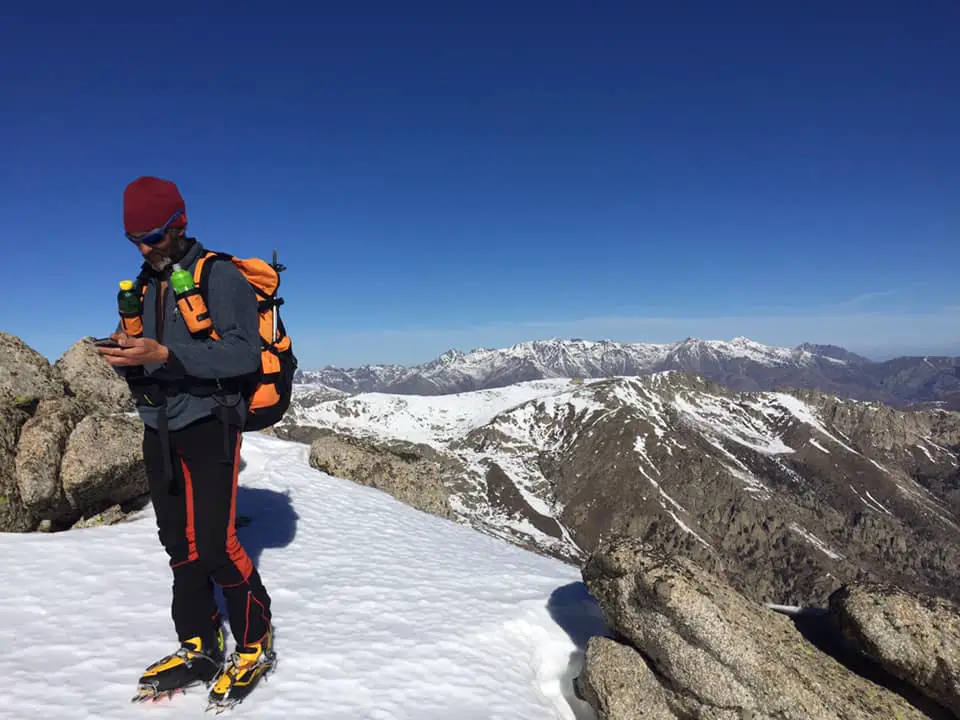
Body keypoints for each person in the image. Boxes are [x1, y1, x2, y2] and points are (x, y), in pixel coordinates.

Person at [98, 176, 275, 707]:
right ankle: (198, 642)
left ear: (178, 225)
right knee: (178, 542)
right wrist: (129, 355)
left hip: (209, 424)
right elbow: (155, 353)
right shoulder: (146, 283)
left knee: (217, 543)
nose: (144, 248)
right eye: (134, 239)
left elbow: (247, 355)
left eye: (152, 236)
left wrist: (164, 357)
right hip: (160, 426)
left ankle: (254, 643)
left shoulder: (217, 276)